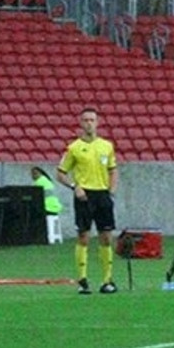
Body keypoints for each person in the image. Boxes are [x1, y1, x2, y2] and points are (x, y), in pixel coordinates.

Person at [56, 107, 119, 294]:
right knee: (83, 236)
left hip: (102, 194)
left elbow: (113, 169)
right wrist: (75, 187)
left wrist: (112, 191)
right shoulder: (74, 148)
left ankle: (107, 280)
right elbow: (60, 173)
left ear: (97, 122)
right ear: (80, 123)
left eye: (92, 120)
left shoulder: (106, 146)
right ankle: (82, 280)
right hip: (84, 196)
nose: (89, 123)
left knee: (106, 236)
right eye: (85, 120)